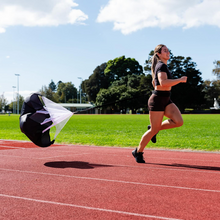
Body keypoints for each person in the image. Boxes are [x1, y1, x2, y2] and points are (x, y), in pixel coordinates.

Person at [132, 44, 187, 163]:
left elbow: (155, 82)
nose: (168, 52)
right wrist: (180, 80)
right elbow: (163, 82)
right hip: (157, 100)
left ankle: (154, 128)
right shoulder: (161, 66)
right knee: (154, 130)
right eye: (165, 51)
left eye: (168, 50)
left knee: (179, 122)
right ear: (159, 54)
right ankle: (138, 151)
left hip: (166, 99)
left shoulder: (163, 66)